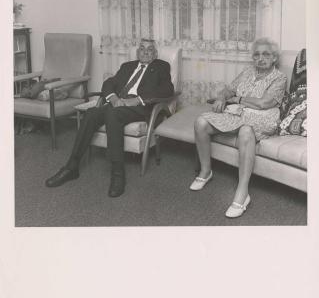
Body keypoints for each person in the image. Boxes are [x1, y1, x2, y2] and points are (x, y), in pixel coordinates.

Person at [46, 39, 174, 197]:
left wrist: (135, 100)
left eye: (149, 49)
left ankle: (118, 173)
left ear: (155, 53)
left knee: (113, 114)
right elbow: (109, 83)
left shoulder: (161, 66)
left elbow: (168, 89)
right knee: (92, 113)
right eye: (142, 49)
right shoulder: (127, 67)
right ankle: (71, 167)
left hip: (139, 107)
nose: (145, 52)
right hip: (116, 104)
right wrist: (113, 98)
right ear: (137, 52)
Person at [190, 37, 287, 218]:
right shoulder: (247, 72)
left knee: (245, 130)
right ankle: (205, 171)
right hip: (239, 113)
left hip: (263, 117)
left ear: (274, 58)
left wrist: (238, 100)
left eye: (266, 54)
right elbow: (229, 89)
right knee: (200, 123)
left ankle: (242, 192)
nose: (261, 58)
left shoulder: (279, 77)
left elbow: (264, 103)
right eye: (256, 54)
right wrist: (222, 98)